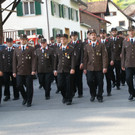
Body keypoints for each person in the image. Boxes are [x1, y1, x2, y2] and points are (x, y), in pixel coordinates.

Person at [83, 29, 108, 102]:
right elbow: (85, 58)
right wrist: (84, 68)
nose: (93, 36)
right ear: (89, 37)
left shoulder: (101, 45)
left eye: (94, 35)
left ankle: (99, 96)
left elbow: (104, 56)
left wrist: (104, 67)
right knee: (89, 81)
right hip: (90, 67)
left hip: (99, 67)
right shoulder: (87, 46)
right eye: (91, 35)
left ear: (96, 36)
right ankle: (93, 94)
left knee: (100, 82)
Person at [13, 34, 36, 107]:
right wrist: (14, 71)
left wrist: (33, 70)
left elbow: (34, 60)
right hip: (19, 71)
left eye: (24, 39)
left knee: (29, 86)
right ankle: (25, 97)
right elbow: (14, 61)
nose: (23, 41)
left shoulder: (31, 49)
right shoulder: (16, 49)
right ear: (20, 40)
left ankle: (29, 101)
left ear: (26, 40)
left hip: (28, 71)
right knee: (19, 85)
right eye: (21, 39)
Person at [54, 34, 75, 105]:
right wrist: (55, 69)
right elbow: (56, 61)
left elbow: (73, 60)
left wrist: (72, 68)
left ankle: (69, 99)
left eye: (64, 39)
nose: (62, 40)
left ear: (67, 40)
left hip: (68, 70)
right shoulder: (58, 49)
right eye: (61, 39)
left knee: (69, 85)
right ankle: (64, 96)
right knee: (60, 85)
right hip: (60, 70)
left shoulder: (71, 49)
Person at [121, 26, 135, 101]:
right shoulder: (125, 41)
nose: (131, 32)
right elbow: (123, 54)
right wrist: (122, 64)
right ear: (128, 32)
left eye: (132, 30)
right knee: (128, 79)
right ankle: (132, 93)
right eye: (129, 31)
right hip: (128, 64)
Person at [70, 31, 84, 98]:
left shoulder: (80, 44)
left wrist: (82, 62)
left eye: (74, 36)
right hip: (72, 64)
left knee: (79, 79)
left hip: (78, 64)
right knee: (72, 79)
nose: (73, 37)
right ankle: (73, 91)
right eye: (72, 36)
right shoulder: (69, 44)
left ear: (77, 36)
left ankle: (80, 92)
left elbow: (82, 54)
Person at [99, 29, 113, 96]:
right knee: (100, 79)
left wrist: (112, 60)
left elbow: (112, 51)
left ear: (105, 34)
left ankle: (109, 90)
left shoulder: (110, 42)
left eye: (103, 33)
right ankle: (101, 91)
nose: (102, 35)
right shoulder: (98, 42)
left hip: (108, 62)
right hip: (99, 63)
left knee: (108, 78)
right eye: (101, 33)